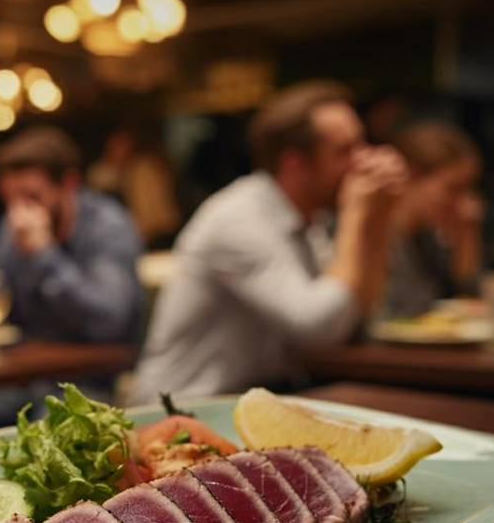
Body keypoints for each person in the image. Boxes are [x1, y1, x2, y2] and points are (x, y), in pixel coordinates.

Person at [132, 81, 407, 402]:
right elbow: (320, 329)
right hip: (184, 406)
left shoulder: (308, 220)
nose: (364, 162)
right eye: (345, 151)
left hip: (255, 398)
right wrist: (356, 215)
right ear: (294, 163)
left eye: (363, 144)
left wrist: (376, 222)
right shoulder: (239, 219)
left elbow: (354, 316)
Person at [0, 126, 144, 345]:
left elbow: (108, 320)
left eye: (32, 197)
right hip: (30, 361)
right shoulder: (10, 225)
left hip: (97, 364)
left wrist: (43, 254)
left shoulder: (108, 226)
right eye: (9, 199)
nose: (18, 213)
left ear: (69, 183)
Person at [383, 121, 483, 317]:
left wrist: (467, 234)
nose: (465, 204)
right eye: (454, 188)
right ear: (413, 176)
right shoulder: (378, 238)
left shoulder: (430, 238)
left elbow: (467, 296)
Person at [87, 127, 181, 248]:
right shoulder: (106, 174)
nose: (118, 151)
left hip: (157, 234)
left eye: (123, 145)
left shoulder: (143, 169)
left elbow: (153, 217)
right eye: (113, 147)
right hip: (139, 234)